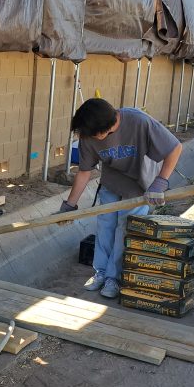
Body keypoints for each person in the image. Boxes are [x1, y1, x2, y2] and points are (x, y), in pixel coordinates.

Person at [59, 99, 182, 299]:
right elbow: (84, 172)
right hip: (112, 183)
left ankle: (114, 278)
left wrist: (161, 181)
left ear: (104, 130)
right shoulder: (90, 133)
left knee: (124, 230)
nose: (88, 138)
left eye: (91, 135)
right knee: (105, 226)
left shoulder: (139, 122)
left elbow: (175, 148)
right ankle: (100, 272)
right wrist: (69, 205)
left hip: (140, 187)